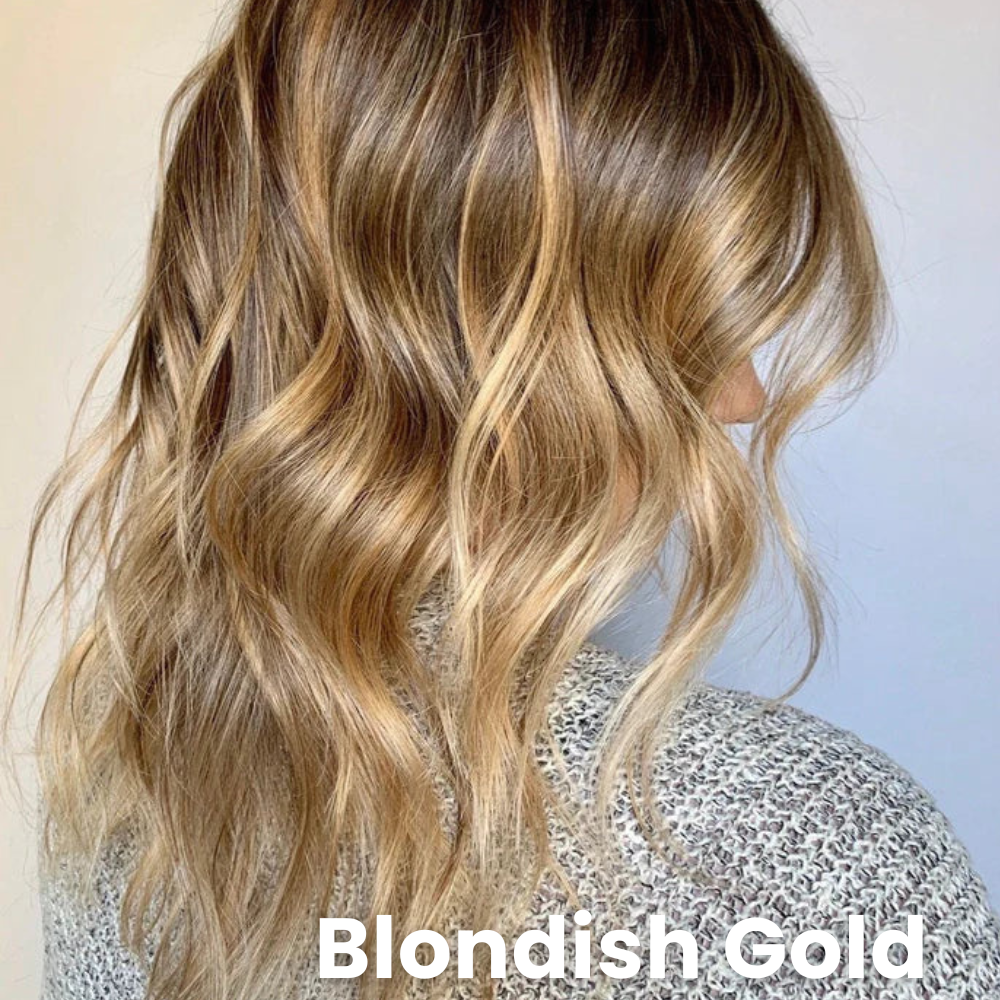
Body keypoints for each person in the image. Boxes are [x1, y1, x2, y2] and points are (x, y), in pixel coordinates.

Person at [13, 0, 999, 998]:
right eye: (695, 323)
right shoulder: (811, 864)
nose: (743, 397)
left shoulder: (124, 787)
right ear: (495, 345)